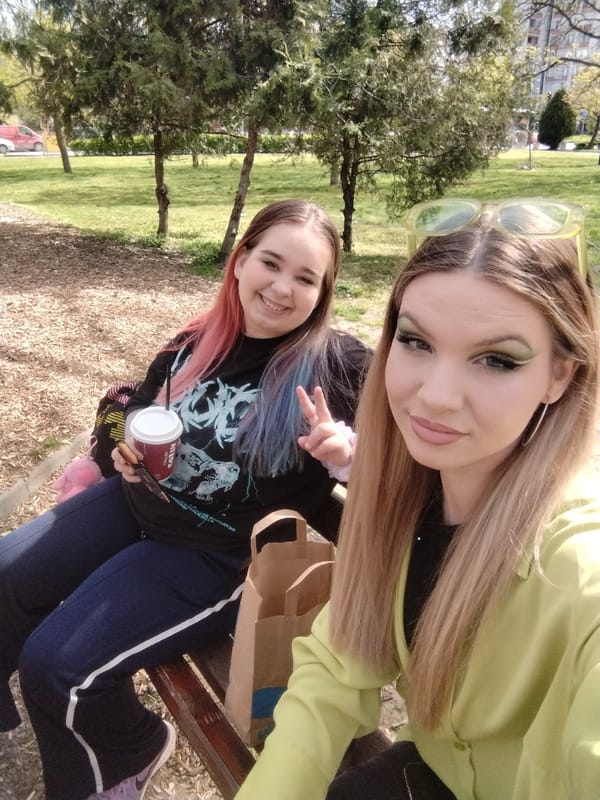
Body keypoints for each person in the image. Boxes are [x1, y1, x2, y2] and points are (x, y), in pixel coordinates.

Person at [0, 199, 371, 800]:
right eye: (270, 263)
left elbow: (411, 472)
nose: (282, 289)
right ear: (241, 260)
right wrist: (120, 447)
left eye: (306, 278)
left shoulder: (340, 365)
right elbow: (137, 404)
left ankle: (126, 754)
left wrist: (346, 455)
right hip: (138, 505)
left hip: (218, 554)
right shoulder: (199, 339)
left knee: (59, 669)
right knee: (5, 571)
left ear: (324, 291)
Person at [234, 197, 600, 800]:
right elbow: (336, 661)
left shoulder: (576, 566)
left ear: (561, 374)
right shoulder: (399, 500)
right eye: (417, 342)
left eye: (496, 359)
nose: (435, 397)